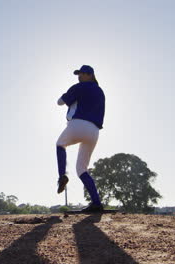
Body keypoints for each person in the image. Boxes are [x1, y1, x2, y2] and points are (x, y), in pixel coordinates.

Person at [56, 65, 105, 213]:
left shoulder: (79, 87)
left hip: (78, 124)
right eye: (78, 74)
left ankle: (62, 176)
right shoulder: (100, 91)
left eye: (82, 74)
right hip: (94, 131)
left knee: (60, 144)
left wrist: (68, 96)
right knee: (82, 169)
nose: (79, 77)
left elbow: (59, 102)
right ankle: (96, 203)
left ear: (90, 75)